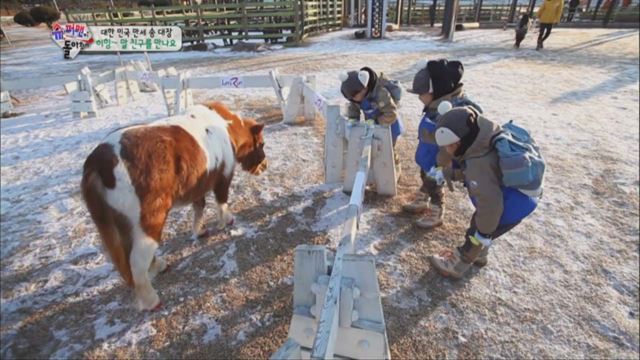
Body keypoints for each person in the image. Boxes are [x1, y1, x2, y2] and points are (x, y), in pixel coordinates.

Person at [427, 107, 539, 278]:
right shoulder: (481, 138)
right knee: (485, 225)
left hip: (514, 202)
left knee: (478, 229)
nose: (447, 152)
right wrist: (449, 174)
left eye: (448, 147)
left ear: (458, 143)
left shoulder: (478, 164)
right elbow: (489, 174)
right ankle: (480, 254)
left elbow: (490, 204)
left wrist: (483, 233)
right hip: (521, 193)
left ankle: (457, 264)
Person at [403, 59, 483, 229]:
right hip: (429, 156)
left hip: (441, 161)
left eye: (421, 93)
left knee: (435, 186)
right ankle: (423, 196)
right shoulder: (434, 105)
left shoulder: (452, 111)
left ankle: (436, 210)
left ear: (436, 91)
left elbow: (451, 146)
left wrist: (441, 167)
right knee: (425, 177)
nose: (419, 97)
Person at [340, 67, 405, 169]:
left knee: (388, 151)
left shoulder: (380, 93)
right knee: (375, 150)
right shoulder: (357, 97)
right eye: (350, 98)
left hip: (389, 127)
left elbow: (391, 114)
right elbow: (353, 107)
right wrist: (353, 119)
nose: (353, 99)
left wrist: (376, 121)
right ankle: (377, 172)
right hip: (373, 126)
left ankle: (394, 170)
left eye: (354, 96)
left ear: (364, 88)